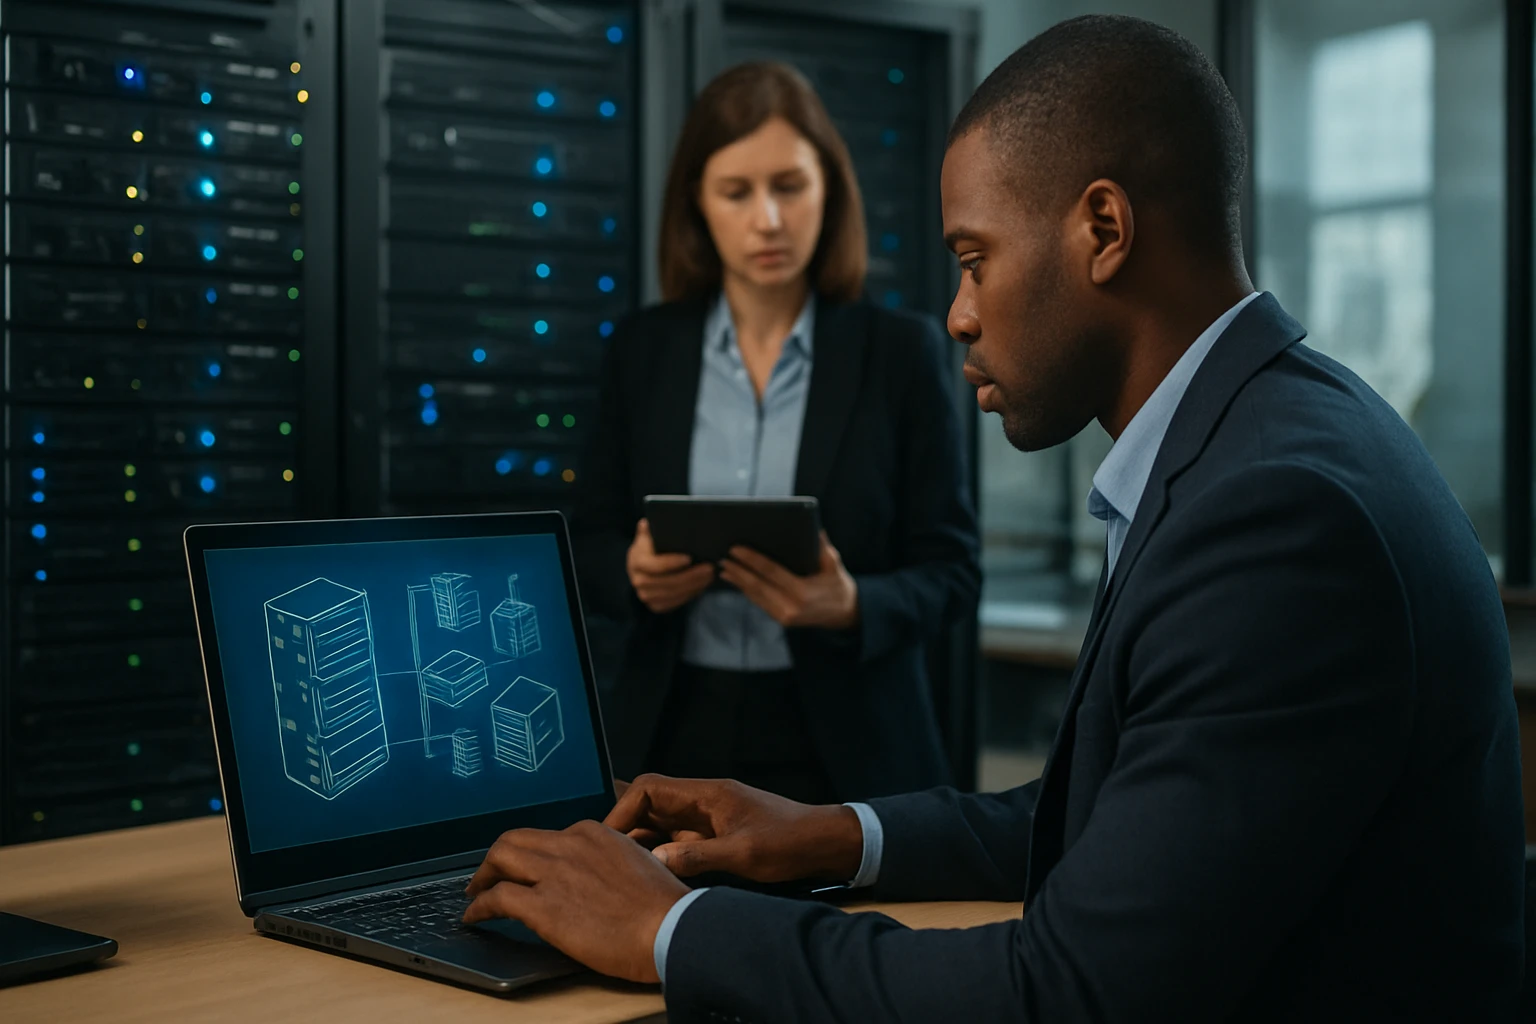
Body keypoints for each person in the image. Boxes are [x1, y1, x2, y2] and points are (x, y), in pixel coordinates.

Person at [463, 16, 1528, 1020]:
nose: (960, 313)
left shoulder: (1275, 515)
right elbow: (1113, 819)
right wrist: (829, 833)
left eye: (975, 259)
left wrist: (668, 926)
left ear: (1103, 229)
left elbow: (1062, 995)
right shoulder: (1266, 435)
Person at [570, 61, 981, 804]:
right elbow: (587, 540)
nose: (767, 219)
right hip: (670, 734)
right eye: (737, 192)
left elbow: (952, 571)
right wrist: (631, 573)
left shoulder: (899, 353)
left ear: (828, 189)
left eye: (789, 187)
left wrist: (852, 603)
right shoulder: (643, 349)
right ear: (697, 203)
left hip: (849, 751)